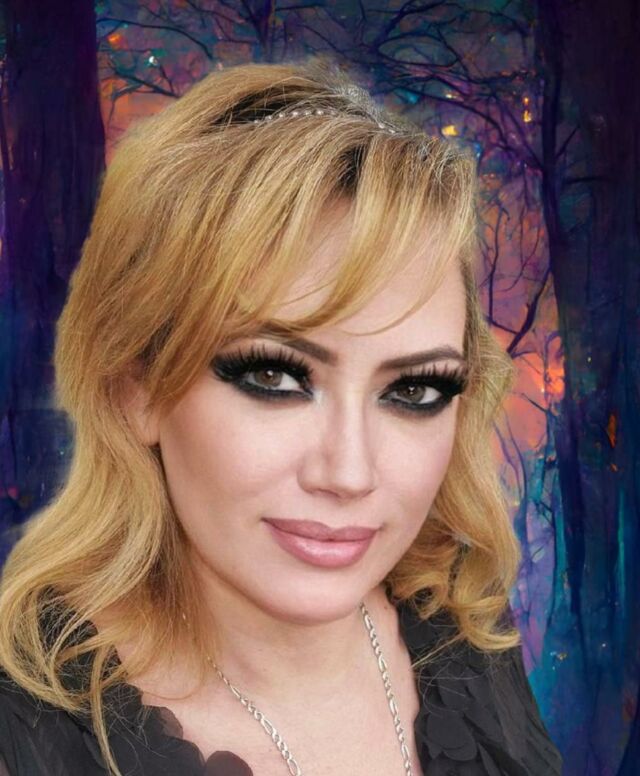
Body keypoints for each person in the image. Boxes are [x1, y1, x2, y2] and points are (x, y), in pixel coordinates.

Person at [0, 56, 563, 776]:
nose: (349, 473)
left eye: (416, 391)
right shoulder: (26, 737)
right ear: (135, 389)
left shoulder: (460, 619)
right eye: (275, 376)